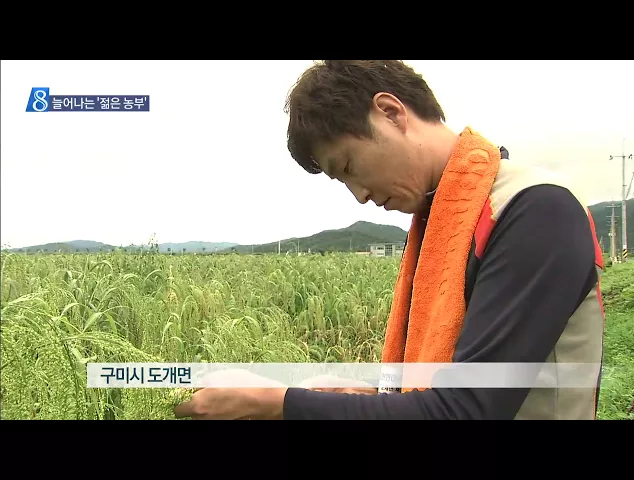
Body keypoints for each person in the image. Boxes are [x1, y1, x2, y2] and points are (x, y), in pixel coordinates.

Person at [174, 60, 606, 420]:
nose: (359, 195)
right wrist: (364, 394)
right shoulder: (439, 224)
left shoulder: (535, 210)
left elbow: (468, 408)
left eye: (348, 166)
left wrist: (275, 403)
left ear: (391, 112)